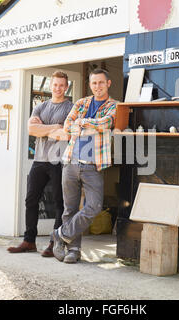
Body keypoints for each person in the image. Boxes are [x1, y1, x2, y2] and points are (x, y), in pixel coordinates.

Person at [52, 68, 117, 263]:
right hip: (71, 162)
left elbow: (105, 123)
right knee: (69, 209)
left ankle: (60, 234)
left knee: (94, 206)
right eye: (94, 83)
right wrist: (86, 125)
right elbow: (67, 126)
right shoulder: (81, 103)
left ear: (108, 84)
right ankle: (73, 250)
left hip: (92, 165)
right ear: (90, 85)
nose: (97, 86)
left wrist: (82, 123)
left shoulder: (114, 105)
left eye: (101, 83)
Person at [8, 70, 73, 256]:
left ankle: (55, 243)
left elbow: (65, 133)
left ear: (66, 87)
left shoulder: (71, 108)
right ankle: (29, 241)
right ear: (51, 86)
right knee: (31, 200)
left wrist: (43, 128)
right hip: (39, 160)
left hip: (58, 161)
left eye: (61, 85)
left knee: (59, 202)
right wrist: (55, 127)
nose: (58, 88)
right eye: (55, 85)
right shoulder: (41, 106)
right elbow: (31, 129)